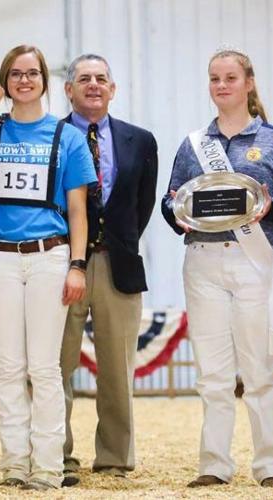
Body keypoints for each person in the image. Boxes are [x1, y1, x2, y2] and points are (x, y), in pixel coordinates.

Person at [159, 48, 273, 488]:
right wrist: (178, 214)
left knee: (261, 367)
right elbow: (171, 202)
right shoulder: (193, 146)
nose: (221, 85)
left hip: (256, 261)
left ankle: (270, 466)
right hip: (203, 261)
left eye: (229, 77)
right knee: (213, 372)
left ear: (248, 83)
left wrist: (269, 205)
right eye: (213, 78)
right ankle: (214, 465)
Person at [0, 45, 94, 491]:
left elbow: (78, 210)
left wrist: (77, 264)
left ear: (44, 81)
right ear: (5, 82)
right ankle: (15, 463)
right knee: (8, 367)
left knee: (45, 369)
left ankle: (48, 466)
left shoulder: (66, 137)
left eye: (32, 73)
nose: (24, 80)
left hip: (50, 256)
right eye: (15, 73)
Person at [57, 53, 159, 484]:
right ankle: (56, 454)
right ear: (69, 90)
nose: (93, 85)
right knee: (55, 365)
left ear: (113, 89)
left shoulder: (141, 140)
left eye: (101, 79)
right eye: (84, 79)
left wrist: (119, 242)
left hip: (118, 266)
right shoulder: (52, 135)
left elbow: (144, 205)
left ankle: (115, 457)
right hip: (61, 265)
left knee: (117, 367)